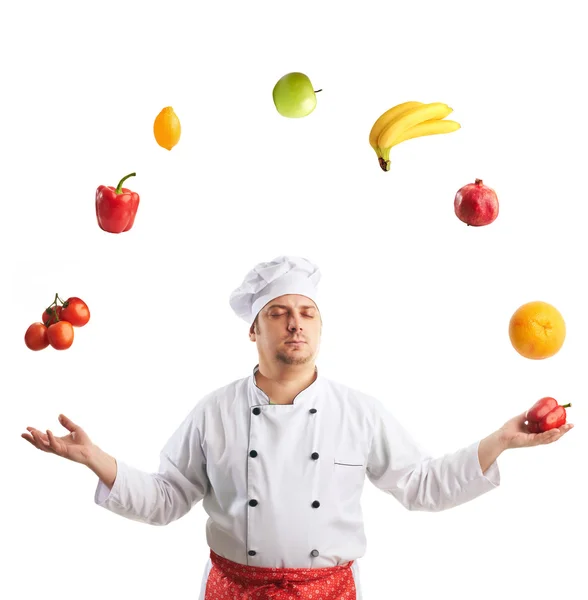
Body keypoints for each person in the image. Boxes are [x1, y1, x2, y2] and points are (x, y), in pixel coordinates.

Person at [22, 255, 574, 600]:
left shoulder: (359, 411)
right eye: (279, 313)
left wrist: (500, 440)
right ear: (253, 330)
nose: (294, 324)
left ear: (320, 327)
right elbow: (167, 499)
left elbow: (422, 485)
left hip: (330, 593)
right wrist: (99, 460)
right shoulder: (214, 412)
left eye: (306, 313)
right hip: (235, 592)